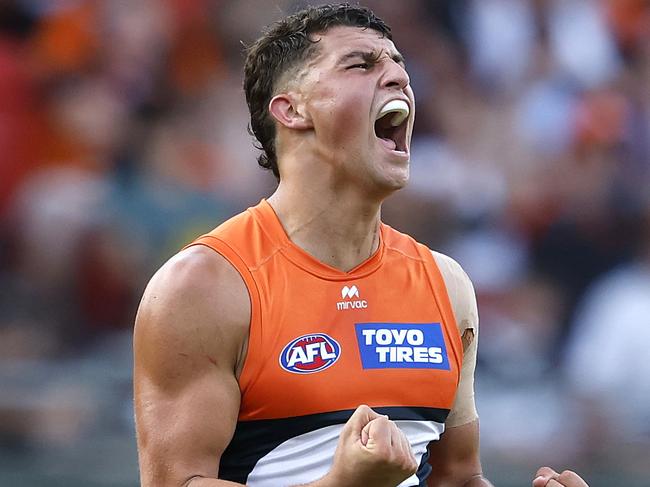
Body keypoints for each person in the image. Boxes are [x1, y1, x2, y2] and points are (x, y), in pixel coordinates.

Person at [133, 4, 589, 487]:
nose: (398, 77)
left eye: (398, 64)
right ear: (292, 109)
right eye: (362, 64)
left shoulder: (445, 284)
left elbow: (457, 477)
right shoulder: (206, 284)